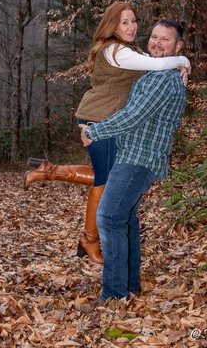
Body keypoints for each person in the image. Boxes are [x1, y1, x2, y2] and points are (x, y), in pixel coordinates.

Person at [23, 1, 190, 265]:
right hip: (100, 118)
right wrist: (183, 60)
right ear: (112, 25)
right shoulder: (115, 50)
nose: (132, 26)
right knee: (106, 180)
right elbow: (157, 65)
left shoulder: (127, 50)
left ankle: (49, 172)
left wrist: (176, 63)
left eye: (134, 21)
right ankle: (89, 239)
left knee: (107, 177)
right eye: (124, 22)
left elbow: (152, 63)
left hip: (104, 117)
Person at [79, 19, 187, 303]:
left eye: (165, 39)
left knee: (109, 217)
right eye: (154, 37)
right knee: (124, 219)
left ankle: (114, 295)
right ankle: (130, 285)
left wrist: (95, 132)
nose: (156, 43)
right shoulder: (155, 72)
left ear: (178, 47)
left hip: (139, 158)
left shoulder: (163, 80)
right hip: (133, 156)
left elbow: (132, 117)